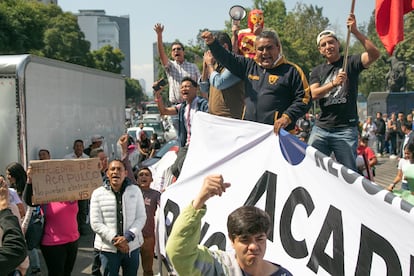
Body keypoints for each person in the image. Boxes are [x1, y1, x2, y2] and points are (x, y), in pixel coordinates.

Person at [165, 174, 292, 275]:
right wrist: (199, 201)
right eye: (245, 240)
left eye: (259, 239)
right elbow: (178, 252)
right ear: (232, 240)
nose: (253, 246)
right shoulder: (218, 268)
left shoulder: (283, 274)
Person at [307, 14, 380, 172]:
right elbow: (314, 94)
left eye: (331, 42)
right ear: (320, 50)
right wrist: (333, 83)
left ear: (338, 43)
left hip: (346, 129)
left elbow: (375, 54)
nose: (328, 46)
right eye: (324, 44)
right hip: (321, 128)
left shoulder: (351, 62)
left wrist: (355, 32)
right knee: (310, 166)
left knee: (348, 172)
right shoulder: (317, 71)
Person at [201, 30, 311, 134]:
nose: (265, 52)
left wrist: (287, 117)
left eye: (269, 48)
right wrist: (213, 43)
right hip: (251, 134)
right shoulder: (249, 66)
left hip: (279, 134)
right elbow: (227, 58)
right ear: (255, 50)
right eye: (260, 49)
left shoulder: (292, 71)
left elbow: (304, 98)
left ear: (278, 47)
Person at [90, 134, 146, 276]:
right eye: (112, 170)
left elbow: (141, 218)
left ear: (125, 173)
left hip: (131, 247)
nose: (116, 172)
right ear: (107, 173)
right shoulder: (97, 193)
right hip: (107, 249)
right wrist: (116, 239)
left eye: (119, 169)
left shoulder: (135, 190)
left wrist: (127, 237)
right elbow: (95, 223)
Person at [24, 149, 80, 276]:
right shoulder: (46, 195)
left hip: (73, 241)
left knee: (67, 273)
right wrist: (30, 180)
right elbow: (30, 201)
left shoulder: (73, 192)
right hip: (53, 243)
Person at [154, 77, 208, 178]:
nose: (184, 89)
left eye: (187, 86)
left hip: (199, 144)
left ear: (195, 89)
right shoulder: (182, 107)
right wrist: (157, 94)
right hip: (186, 144)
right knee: (174, 170)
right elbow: (164, 111)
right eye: (182, 87)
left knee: (182, 165)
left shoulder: (203, 104)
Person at [199, 32, 245, 119]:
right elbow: (204, 88)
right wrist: (205, 67)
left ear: (224, 47)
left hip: (230, 119)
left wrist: (209, 65)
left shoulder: (236, 65)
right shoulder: (215, 65)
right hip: (214, 118)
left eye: (213, 49)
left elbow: (219, 83)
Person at [153, 23, 202, 104]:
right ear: (171, 54)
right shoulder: (170, 66)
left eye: (179, 49)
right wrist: (159, 35)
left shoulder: (193, 67)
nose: (176, 51)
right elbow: (162, 55)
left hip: (192, 105)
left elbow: (201, 85)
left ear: (184, 52)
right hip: (175, 107)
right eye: (174, 49)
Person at [135, 167, 161, 276]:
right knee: (130, 269)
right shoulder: (131, 192)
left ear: (152, 179)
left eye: (146, 175)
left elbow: (165, 207)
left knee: (148, 269)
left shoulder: (156, 194)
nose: (144, 177)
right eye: (141, 175)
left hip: (148, 237)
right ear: (137, 180)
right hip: (132, 237)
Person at [64, 139, 90, 235]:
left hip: (83, 188)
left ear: (83, 147)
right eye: (77, 146)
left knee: (82, 208)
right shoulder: (67, 158)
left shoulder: (87, 159)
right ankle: (73, 227)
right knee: (71, 209)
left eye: (80, 146)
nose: (78, 148)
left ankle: (82, 227)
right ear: (73, 147)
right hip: (71, 188)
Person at [0, 186, 27, 275]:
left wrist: (23, 266)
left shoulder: (11, 208)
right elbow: (16, 249)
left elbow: (19, 234)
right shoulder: (6, 210)